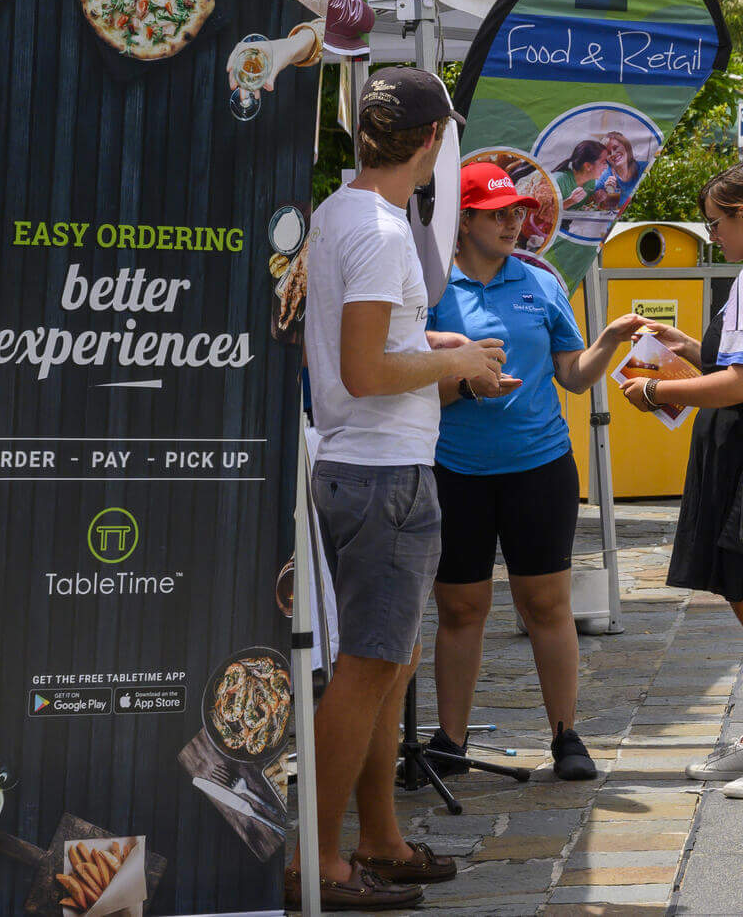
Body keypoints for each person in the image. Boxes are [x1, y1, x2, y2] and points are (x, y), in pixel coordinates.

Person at [302, 67, 512, 910]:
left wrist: (433, 341)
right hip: (382, 468)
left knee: (389, 664)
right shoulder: (386, 231)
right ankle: (320, 861)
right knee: (367, 670)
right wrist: (455, 360)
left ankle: (378, 840)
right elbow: (364, 368)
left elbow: (366, 343)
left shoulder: (338, 214)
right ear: (431, 141)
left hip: (361, 463)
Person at [426, 163, 629, 784]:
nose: (515, 221)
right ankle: (451, 740)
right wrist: (465, 382)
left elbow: (570, 374)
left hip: (538, 465)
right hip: (453, 468)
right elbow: (405, 388)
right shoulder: (432, 289)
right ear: (463, 220)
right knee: (461, 608)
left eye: (517, 211)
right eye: (498, 213)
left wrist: (611, 340)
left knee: (546, 604)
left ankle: (567, 734)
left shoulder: (539, 283)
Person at [625, 165, 743, 799]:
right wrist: (687, 346)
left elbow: (742, 382)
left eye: (714, 222)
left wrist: (656, 386)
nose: (712, 235)